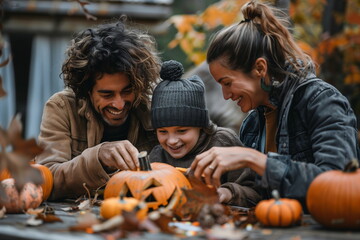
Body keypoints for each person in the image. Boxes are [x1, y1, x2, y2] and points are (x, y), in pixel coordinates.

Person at [190, 0, 360, 209]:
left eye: (228, 83)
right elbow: (264, 196)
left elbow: (339, 184)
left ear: (260, 68)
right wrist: (228, 193)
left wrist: (254, 159)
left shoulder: (320, 101)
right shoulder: (252, 123)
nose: (225, 95)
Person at [35, 19, 161, 200]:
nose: (119, 104)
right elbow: (47, 180)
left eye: (127, 91)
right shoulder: (61, 107)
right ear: (86, 90)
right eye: (107, 94)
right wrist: (98, 157)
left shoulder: (152, 108)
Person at [149, 60, 261, 207]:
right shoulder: (157, 156)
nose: (172, 141)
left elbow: (255, 192)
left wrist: (228, 193)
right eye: (163, 132)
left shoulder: (223, 142)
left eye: (182, 131)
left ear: (200, 126)